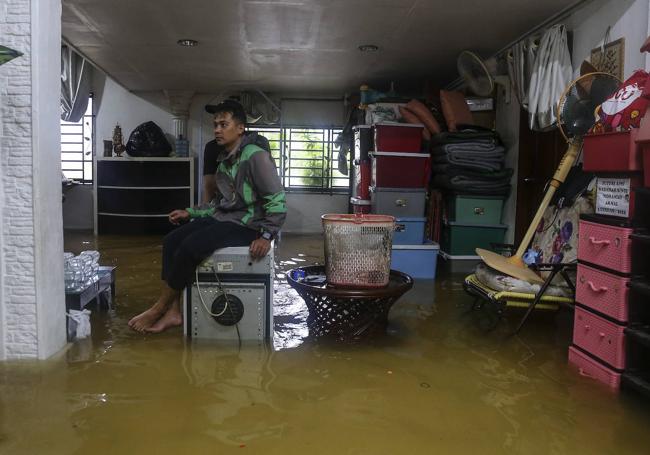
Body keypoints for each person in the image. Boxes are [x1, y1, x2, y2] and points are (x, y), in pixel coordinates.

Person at [128, 100, 286, 333]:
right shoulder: (226, 160)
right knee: (171, 241)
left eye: (224, 124)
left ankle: (158, 309)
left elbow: (277, 200)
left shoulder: (256, 157)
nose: (217, 130)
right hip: (228, 218)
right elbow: (222, 204)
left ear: (240, 128)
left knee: (191, 247)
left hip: (248, 225)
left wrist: (266, 235)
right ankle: (174, 313)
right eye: (215, 125)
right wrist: (190, 212)